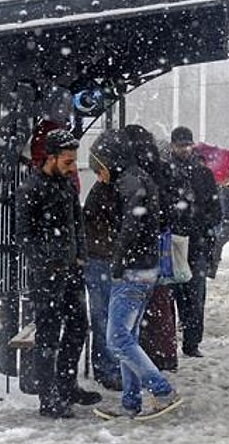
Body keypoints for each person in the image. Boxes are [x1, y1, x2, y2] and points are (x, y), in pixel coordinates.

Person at [89, 127, 181, 417]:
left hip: (133, 271)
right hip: (144, 269)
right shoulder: (139, 178)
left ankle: (162, 391)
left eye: (98, 168)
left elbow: (131, 226)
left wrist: (117, 260)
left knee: (116, 337)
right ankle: (130, 402)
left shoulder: (129, 182)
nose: (98, 176)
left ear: (109, 161)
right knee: (129, 337)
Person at [15, 128, 101, 418]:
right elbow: (23, 235)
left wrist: (80, 257)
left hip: (71, 271)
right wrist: (49, 262)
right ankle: (48, 396)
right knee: (49, 336)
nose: (72, 167)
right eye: (67, 161)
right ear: (49, 158)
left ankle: (66, 385)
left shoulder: (66, 184)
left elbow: (77, 223)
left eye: (73, 161)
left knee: (78, 328)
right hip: (47, 276)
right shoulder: (31, 189)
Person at [164, 126, 222, 357]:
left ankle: (191, 341)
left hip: (195, 243)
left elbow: (215, 211)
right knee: (172, 296)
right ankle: (171, 341)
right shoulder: (164, 172)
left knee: (195, 297)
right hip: (173, 242)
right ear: (173, 146)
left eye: (188, 145)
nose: (185, 149)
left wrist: (198, 222)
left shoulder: (203, 174)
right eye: (181, 145)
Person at [82, 160, 122, 392]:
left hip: (101, 256)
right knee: (104, 316)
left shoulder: (104, 190)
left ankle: (107, 366)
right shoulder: (107, 191)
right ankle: (107, 367)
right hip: (102, 257)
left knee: (104, 316)